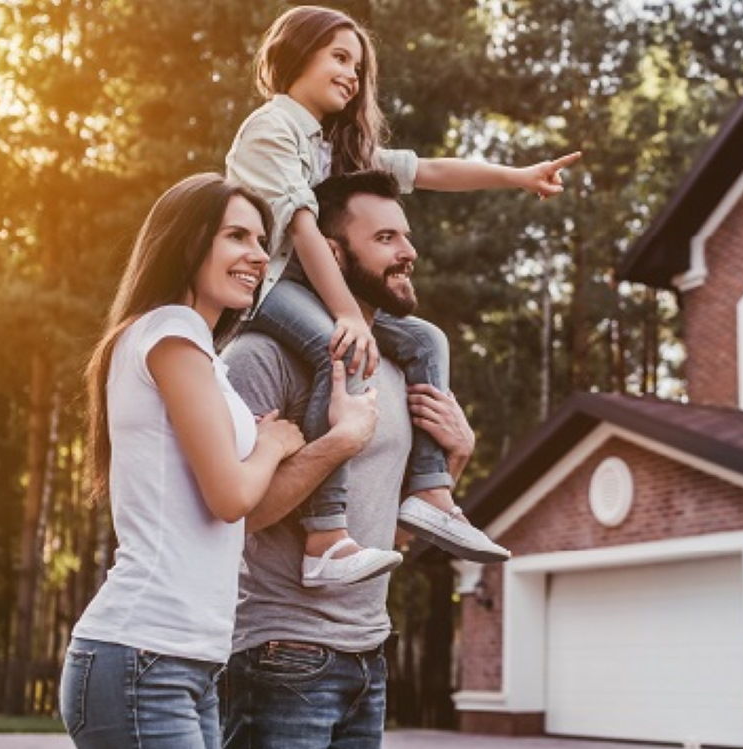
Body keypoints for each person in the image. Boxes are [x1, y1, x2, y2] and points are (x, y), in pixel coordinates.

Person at [226, 4, 579, 587]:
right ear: (295, 55)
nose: (352, 75)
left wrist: (516, 175)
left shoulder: (330, 145)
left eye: (359, 67)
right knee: (338, 348)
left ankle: (431, 493)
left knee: (423, 338)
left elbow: (429, 171)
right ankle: (325, 537)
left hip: (315, 286)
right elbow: (303, 230)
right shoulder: (273, 127)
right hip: (268, 286)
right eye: (339, 58)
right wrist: (346, 314)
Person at [59, 173, 313, 749]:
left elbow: (238, 504)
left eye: (260, 240)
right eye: (235, 236)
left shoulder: (193, 349)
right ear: (186, 240)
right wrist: (276, 443)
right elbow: (231, 496)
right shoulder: (171, 332)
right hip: (145, 656)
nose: (256, 254)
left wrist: (278, 451)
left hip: (188, 663)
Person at [220, 170, 471, 749]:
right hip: (280, 654)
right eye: (385, 237)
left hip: (368, 656)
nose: (407, 252)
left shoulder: (399, 367)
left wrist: (454, 461)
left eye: (405, 236)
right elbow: (235, 516)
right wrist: (338, 444)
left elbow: (393, 538)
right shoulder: (259, 357)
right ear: (332, 252)